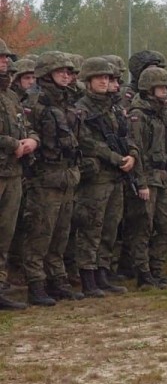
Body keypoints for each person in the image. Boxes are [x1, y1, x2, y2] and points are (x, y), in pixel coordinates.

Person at [22, 52, 85, 306]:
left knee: (61, 233)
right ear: (47, 74)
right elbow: (28, 133)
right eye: (61, 72)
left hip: (67, 174)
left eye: (69, 72)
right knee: (40, 233)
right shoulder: (35, 103)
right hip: (45, 177)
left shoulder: (69, 102)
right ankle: (36, 284)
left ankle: (57, 280)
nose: (66, 76)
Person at [73, 57, 139, 297]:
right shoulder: (81, 108)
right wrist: (113, 156)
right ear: (88, 81)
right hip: (96, 177)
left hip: (116, 176)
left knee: (110, 227)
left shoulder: (113, 106)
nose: (104, 81)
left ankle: (103, 272)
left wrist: (132, 154)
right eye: (99, 77)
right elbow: (85, 140)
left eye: (108, 77)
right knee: (91, 226)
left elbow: (126, 134)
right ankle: (88, 276)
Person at [126, 66, 167, 287]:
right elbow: (135, 149)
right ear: (149, 89)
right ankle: (144, 273)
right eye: (161, 88)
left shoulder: (162, 114)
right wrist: (140, 182)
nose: (165, 92)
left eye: (166, 88)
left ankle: (156, 268)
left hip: (162, 176)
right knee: (143, 227)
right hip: (146, 178)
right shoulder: (138, 115)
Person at [0, 40, 33, 310]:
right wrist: (13, 145)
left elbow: (27, 125)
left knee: (5, 234)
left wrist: (31, 141)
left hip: (12, 173)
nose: (5, 63)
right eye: (0, 59)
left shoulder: (11, 97)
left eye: (6, 59)